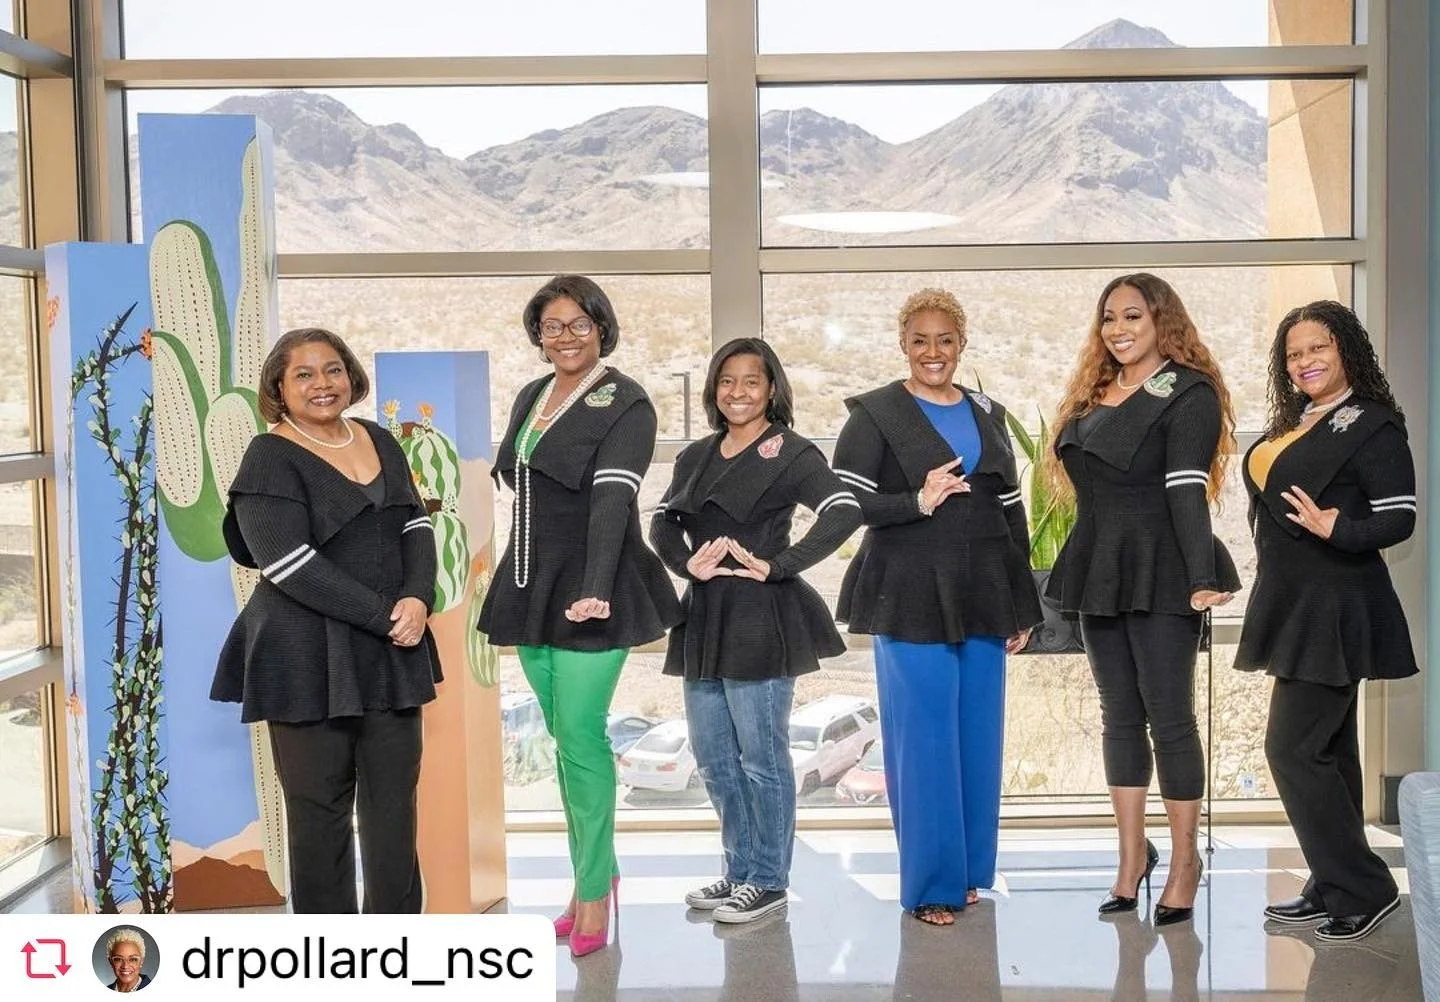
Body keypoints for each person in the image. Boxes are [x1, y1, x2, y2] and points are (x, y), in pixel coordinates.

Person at [477, 275, 681, 957]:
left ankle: (594, 895)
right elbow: (515, 484)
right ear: (538, 335)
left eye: (578, 323)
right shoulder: (532, 395)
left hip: (597, 586)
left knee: (584, 739)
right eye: (551, 325)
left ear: (602, 327)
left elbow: (610, 504)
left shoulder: (627, 403)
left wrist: (595, 587)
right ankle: (589, 879)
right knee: (565, 742)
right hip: (531, 585)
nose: (564, 336)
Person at [213, 327, 440, 914]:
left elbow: (414, 525)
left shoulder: (380, 439)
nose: (322, 384)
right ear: (279, 389)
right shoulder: (269, 456)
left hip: (393, 648)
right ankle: (329, 958)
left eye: (333, 369)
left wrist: (418, 599)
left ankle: (397, 951)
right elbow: (288, 564)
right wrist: (385, 616)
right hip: (302, 654)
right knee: (319, 817)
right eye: (304, 375)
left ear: (351, 376)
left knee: (395, 810)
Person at [832, 288, 1041, 926]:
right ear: (903, 344)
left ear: (961, 344)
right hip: (908, 592)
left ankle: (971, 871)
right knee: (922, 741)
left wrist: (1022, 605)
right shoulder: (875, 415)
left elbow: (1011, 510)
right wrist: (915, 502)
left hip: (984, 589)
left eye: (944, 340)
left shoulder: (987, 411)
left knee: (977, 735)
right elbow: (845, 507)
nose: (933, 352)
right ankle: (931, 885)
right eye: (920, 340)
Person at [1044, 273, 1240, 926]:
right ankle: (1133, 859)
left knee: (1171, 719)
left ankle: (1186, 861)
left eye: (1134, 315)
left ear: (1163, 321)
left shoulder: (1190, 393)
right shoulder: (1093, 393)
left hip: (1164, 572)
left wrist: (1199, 575)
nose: (1119, 328)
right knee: (1119, 719)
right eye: (1108, 318)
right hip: (1101, 567)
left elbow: (1188, 490)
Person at [649, 338, 861, 924]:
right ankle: (739, 869)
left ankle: (768, 879)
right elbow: (664, 525)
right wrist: (683, 563)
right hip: (703, 618)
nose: (737, 392)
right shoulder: (695, 455)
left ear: (772, 389)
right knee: (714, 758)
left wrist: (780, 565)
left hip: (761, 621)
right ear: (715, 389)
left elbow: (844, 509)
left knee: (761, 760)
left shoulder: (791, 453)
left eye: (751, 381)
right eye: (727, 381)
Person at [1235, 301, 1416, 943]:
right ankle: (1332, 881)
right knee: (1331, 751)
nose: (1305, 361)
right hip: (1295, 604)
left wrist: (1341, 528)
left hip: (1338, 606)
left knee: (1290, 749)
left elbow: (1400, 516)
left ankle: (1363, 889)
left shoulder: (1370, 425)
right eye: (1294, 353)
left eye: (1319, 348)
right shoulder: (1300, 422)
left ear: (1346, 352)